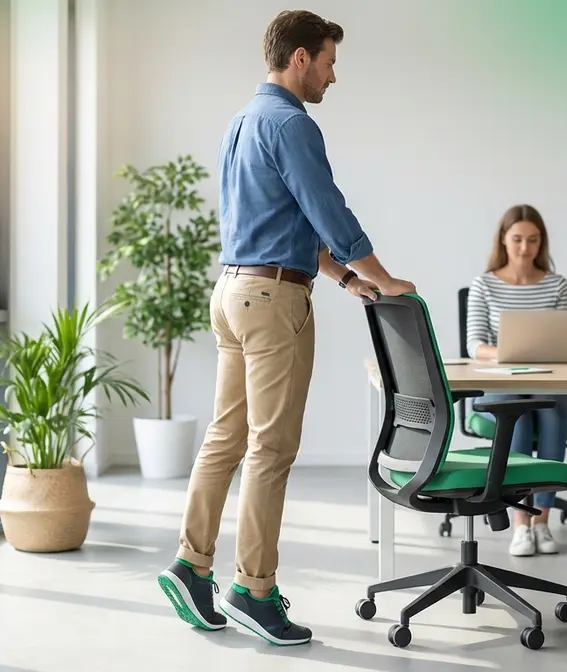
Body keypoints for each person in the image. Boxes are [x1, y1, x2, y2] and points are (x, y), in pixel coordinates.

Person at [156, 10, 416, 646]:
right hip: (273, 302)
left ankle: (191, 565)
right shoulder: (293, 124)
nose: (333, 76)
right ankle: (254, 588)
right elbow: (326, 208)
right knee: (270, 450)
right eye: (329, 62)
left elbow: (285, 221)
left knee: (226, 436)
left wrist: (345, 279)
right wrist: (382, 275)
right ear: (299, 59)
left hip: (235, 291)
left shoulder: (241, 122)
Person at [465, 204, 567, 557]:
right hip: (503, 379)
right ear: (503, 240)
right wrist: (506, 351)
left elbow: (563, 340)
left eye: (532, 240)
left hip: (548, 379)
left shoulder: (557, 285)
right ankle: (521, 525)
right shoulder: (484, 284)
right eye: (517, 240)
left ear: (542, 242)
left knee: (553, 413)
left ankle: (542, 520)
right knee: (520, 418)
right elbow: (474, 345)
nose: (525, 248)